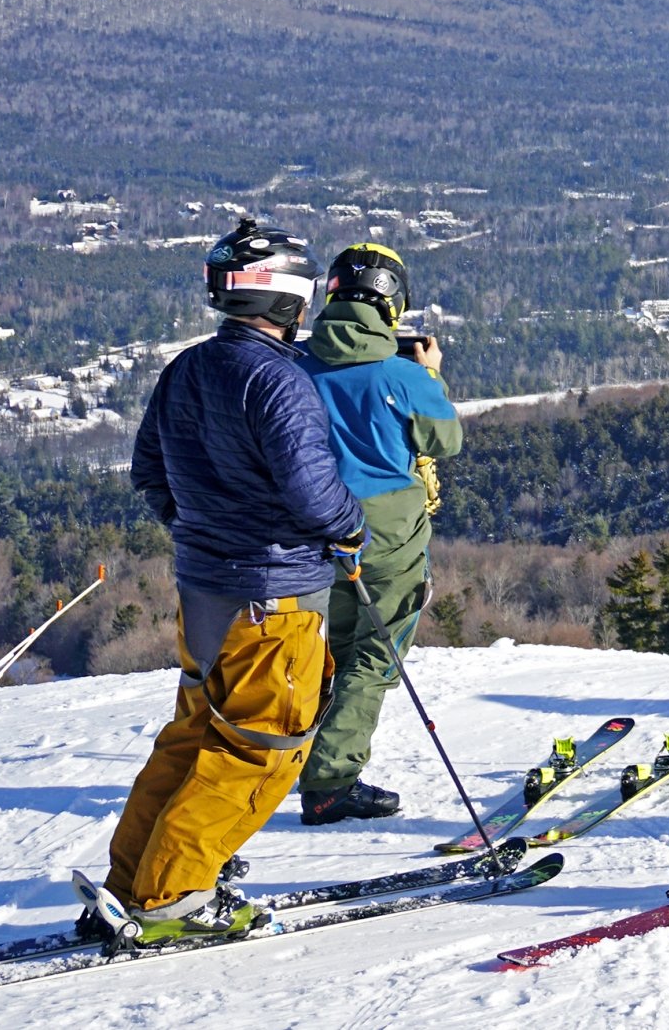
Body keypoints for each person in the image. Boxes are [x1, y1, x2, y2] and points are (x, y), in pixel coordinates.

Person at [97, 220, 368, 943]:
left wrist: (201, 531)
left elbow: (149, 472)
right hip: (273, 598)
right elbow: (315, 496)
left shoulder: (188, 367)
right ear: (286, 301)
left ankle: (132, 880)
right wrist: (351, 527)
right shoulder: (280, 381)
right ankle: (172, 894)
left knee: (194, 733)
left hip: (205, 588)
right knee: (260, 747)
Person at [294, 243, 464, 825]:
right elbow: (446, 441)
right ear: (393, 306)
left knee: (313, 651)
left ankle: (280, 761)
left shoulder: (286, 365)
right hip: (384, 538)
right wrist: (429, 375)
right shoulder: (402, 374)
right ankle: (330, 781)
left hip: (300, 532)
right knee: (371, 654)